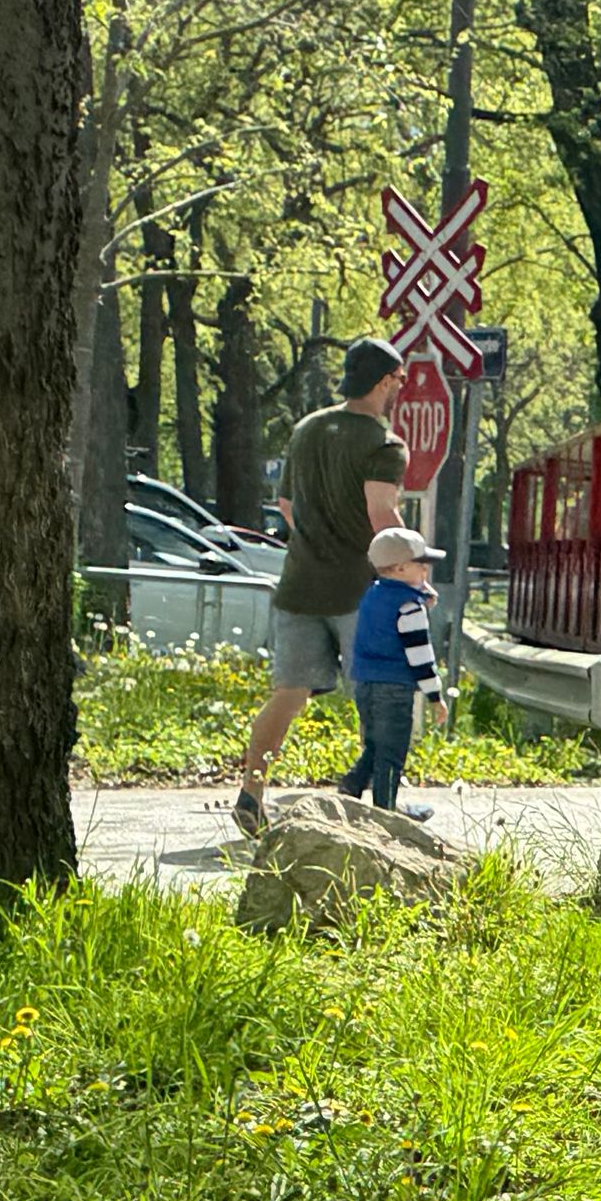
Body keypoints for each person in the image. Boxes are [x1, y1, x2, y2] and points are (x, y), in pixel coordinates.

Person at [235, 340, 412, 836]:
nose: (399, 387)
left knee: (288, 693)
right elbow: (382, 516)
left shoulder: (307, 428)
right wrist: (411, 570)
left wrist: (318, 535)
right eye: (398, 379)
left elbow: (287, 507)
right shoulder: (383, 444)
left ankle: (252, 791)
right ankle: (377, 806)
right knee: (376, 693)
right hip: (361, 591)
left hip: (299, 584)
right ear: (382, 382)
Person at [343, 526, 445, 816]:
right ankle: (386, 811)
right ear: (401, 568)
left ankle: (351, 786)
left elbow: (387, 626)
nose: (426, 570)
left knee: (375, 743)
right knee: (392, 751)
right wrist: (435, 695)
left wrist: (420, 600)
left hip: (365, 682)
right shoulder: (410, 607)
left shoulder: (371, 596)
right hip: (396, 687)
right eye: (421, 564)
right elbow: (419, 655)